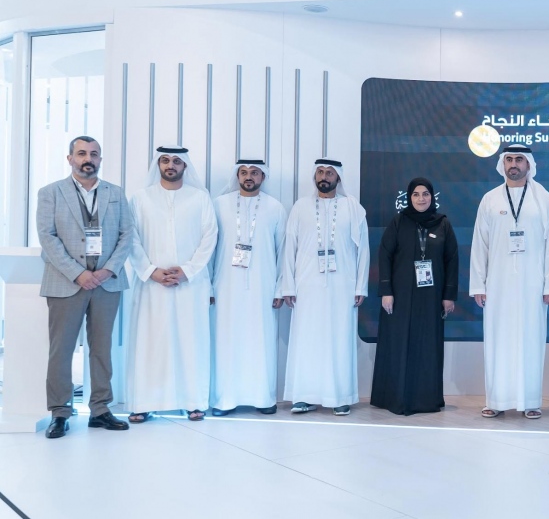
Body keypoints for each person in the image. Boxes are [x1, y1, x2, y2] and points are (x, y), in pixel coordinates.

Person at [36, 136, 134, 439]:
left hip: (107, 283)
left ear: (100, 159)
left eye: (93, 154)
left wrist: (107, 270)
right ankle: (60, 412)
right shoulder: (50, 193)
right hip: (65, 281)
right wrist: (78, 273)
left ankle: (101, 409)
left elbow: (127, 235)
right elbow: (47, 237)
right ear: (70, 159)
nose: (87, 159)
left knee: (102, 349)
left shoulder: (116, 193)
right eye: (81, 153)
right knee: (61, 349)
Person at [126, 146, 218, 423]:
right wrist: (151, 271)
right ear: (158, 164)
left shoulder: (200, 198)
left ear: (185, 166)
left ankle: (194, 402)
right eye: (165, 160)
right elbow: (131, 238)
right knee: (150, 343)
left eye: (177, 161)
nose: (171, 165)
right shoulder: (140, 198)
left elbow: (210, 237)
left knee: (191, 342)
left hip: (190, 284)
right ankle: (144, 402)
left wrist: (187, 270)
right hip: (151, 285)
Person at [470, 144, 549, 419]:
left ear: (528, 164)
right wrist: (478, 285)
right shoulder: (490, 200)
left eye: (519, 159)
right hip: (497, 284)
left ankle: (530, 401)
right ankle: (496, 399)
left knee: (531, 340)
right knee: (498, 340)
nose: (514, 164)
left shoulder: (544, 200)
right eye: (509, 159)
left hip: (533, 285)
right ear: (502, 164)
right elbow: (480, 245)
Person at [281, 158, 369, 416]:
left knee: (339, 340)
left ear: (338, 177)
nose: (324, 176)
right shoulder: (300, 207)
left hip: (343, 285)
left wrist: (360, 286)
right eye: (320, 172)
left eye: (330, 173)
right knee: (306, 340)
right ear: (314, 176)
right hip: (306, 285)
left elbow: (363, 250)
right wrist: (288, 286)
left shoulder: (353, 207)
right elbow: (289, 247)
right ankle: (304, 396)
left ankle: (340, 396)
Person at [371, 177, 459, 415]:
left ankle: (426, 399)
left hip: (432, 297)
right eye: (416, 194)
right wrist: (386, 291)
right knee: (399, 344)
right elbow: (385, 255)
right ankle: (396, 397)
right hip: (399, 296)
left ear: (432, 197)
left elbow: (452, 260)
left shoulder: (443, 224)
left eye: (426, 194)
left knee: (427, 345)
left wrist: (448, 295)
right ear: (409, 198)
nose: (421, 199)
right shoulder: (399, 222)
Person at [210, 160, 287, 416]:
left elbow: (283, 252)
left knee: (260, 341)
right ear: (237, 176)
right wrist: (208, 286)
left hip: (262, 287)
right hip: (225, 286)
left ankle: (263, 398)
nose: (248, 177)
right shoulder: (219, 205)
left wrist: (280, 288)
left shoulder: (275, 208)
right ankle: (224, 399)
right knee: (226, 341)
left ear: (263, 177)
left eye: (254, 173)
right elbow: (210, 248)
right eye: (243, 172)